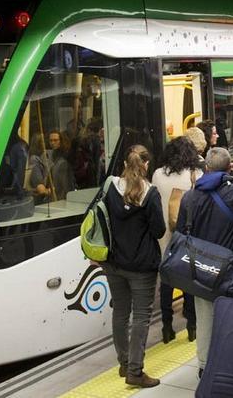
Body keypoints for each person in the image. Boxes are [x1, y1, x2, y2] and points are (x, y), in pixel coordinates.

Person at [176, 147, 233, 374]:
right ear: (230, 168)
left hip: (201, 270)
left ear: (206, 168)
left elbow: (181, 233)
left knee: (206, 318)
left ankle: (205, 367)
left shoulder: (189, 197)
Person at [101, 145, 166, 388]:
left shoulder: (110, 187)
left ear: (126, 164)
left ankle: (124, 363)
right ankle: (135, 372)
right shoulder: (150, 193)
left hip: (114, 262)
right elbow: (158, 229)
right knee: (141, 316)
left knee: (120, 311)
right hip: (141, 266)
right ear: (146, 165)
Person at [151, 137, 201, 345]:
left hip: (163, 237)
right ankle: (191, 326)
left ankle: (166, 327)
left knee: (166, 281)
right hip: (187, 235)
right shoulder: (195, 174)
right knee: (188, 280)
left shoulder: (158, 174)